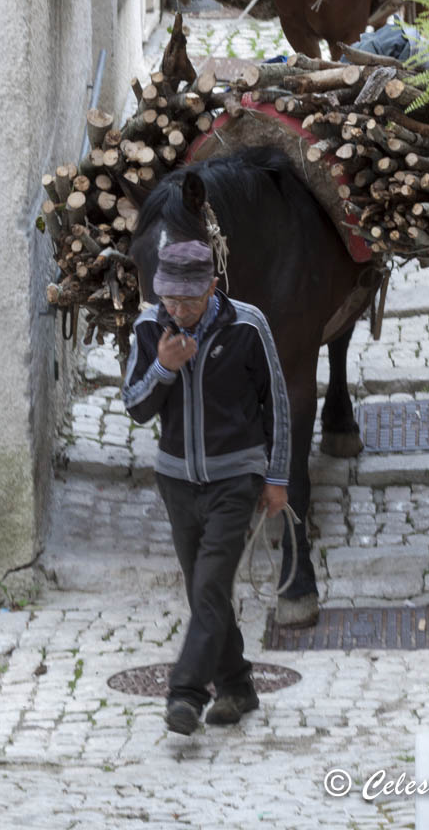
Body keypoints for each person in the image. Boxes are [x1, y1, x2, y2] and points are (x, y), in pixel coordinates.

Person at [121, 239, 290, 736]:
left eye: (189, 301)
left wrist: (277, 479)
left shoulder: (247, 326)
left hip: (235, 479)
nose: (179, 311)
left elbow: (276, 403)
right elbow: (135, 406)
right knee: (205, 595)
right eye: (170, 300)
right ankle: (237, 686)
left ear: (212, 288)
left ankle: (186, 694)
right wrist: (164, 368)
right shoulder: (151, 328)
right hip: (177, 482)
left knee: (211, 586)